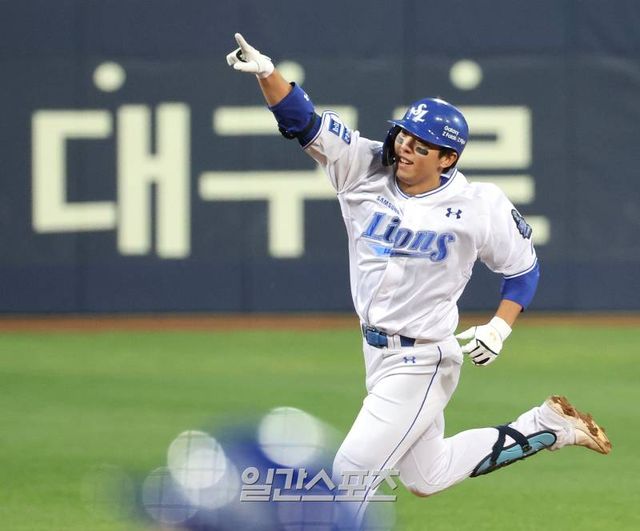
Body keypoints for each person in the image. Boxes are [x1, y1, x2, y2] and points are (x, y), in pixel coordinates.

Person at [226, 33, 611, 525]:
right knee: (428, 475)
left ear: (447, 158)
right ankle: (546, 426)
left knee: (347, 478)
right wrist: (267, 73)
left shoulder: (478, 206)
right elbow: (303, 121)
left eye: (422, 145)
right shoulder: (362, 166)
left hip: (424, 359)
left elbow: (522, 270)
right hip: (375, 351)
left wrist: (499, 327)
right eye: (405, 135)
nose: (405, 147)